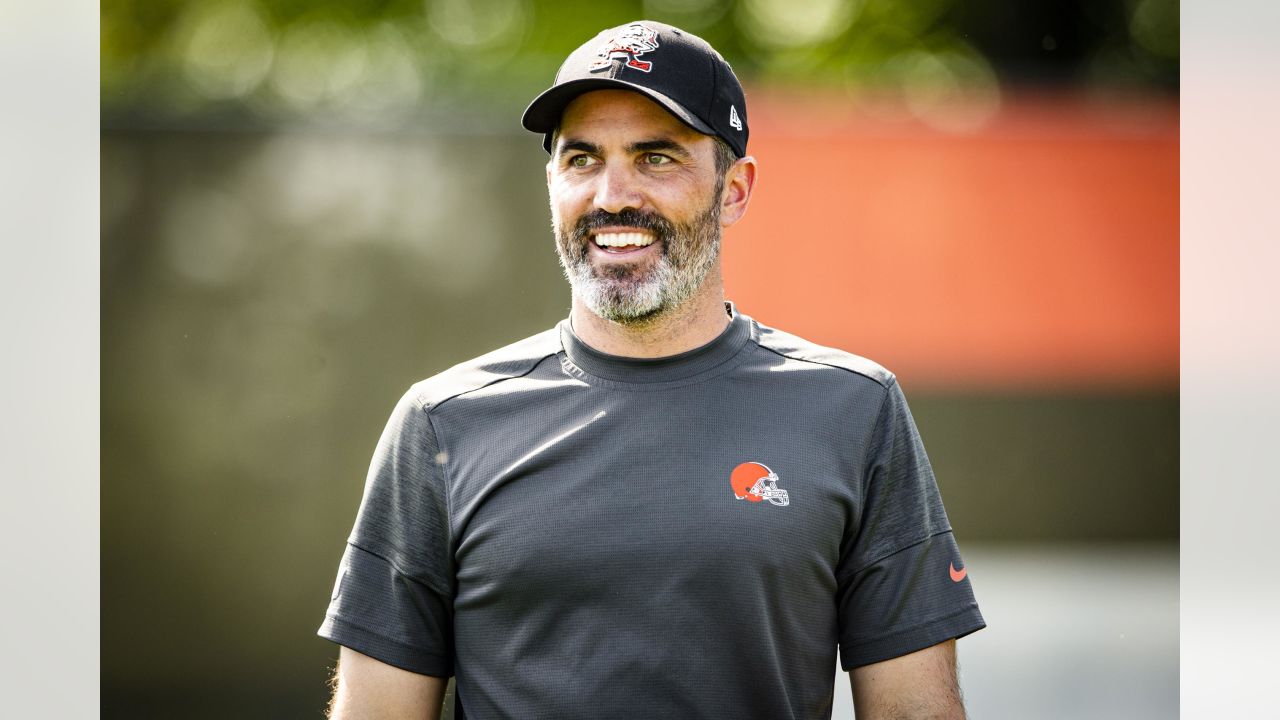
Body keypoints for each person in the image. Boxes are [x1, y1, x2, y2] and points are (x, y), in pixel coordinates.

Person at [319, 20, 985, 720]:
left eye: (656, 157)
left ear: (734, 188)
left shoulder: (853, 411)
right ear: (552, 182)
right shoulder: (441, 425)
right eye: (581, 159)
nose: (612, 195)